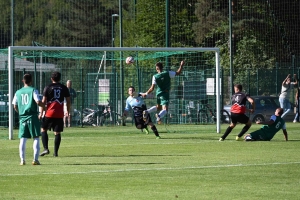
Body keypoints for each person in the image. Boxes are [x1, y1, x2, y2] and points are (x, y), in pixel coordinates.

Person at [12, 74, 45, 165]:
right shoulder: (33, 90)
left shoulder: (18, 92)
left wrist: (20, 112)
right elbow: (38, 101)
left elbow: (14, 105)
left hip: (23, 117)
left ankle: (22, 160)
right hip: (32, 116)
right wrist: (45, 107)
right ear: (31, 81)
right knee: (36, 137)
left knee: (23, 138)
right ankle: (35, 159)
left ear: (23, 81)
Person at [39, 71, 71, 157]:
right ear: (60, 79)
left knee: (43, 129)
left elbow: (43, 101)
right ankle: (55, 153)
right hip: (59, 113)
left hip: (49, 113)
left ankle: (46, 148)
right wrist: (67, 111)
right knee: (57, 133)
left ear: (51, 78)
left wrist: (41, 113)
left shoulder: (48, 87)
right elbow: (68, 101)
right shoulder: (64, 88)